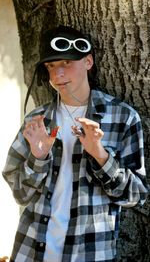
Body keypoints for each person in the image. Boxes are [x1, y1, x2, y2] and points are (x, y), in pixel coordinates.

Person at [2, 25, 148, 262]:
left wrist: (100, 156)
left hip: (88, 253)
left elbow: (137, 195)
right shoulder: (37, 122)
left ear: (88, 62)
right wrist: (38, 159)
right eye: (50, 66)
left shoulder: (123, 118)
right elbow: (20, 194)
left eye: (66, 63)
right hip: (32, 251)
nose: (57, 74)